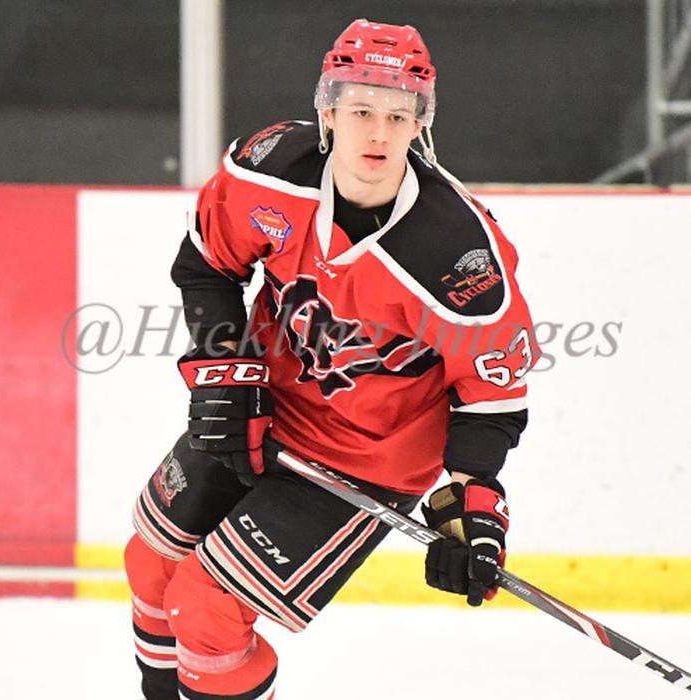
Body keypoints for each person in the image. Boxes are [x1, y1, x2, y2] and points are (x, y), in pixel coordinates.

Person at [124, 18, 539, 700]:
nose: (378, 133)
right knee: (151, 567)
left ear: (421, 123)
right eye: (361, 110)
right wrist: (226, 375)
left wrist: (473, 500)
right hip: (266, 408)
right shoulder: (268, 173)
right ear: (328, 111)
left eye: (398, 115)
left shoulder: (457, 254)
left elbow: (491, 394)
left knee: (205, 610)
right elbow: (207, 265)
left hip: (364, 461)